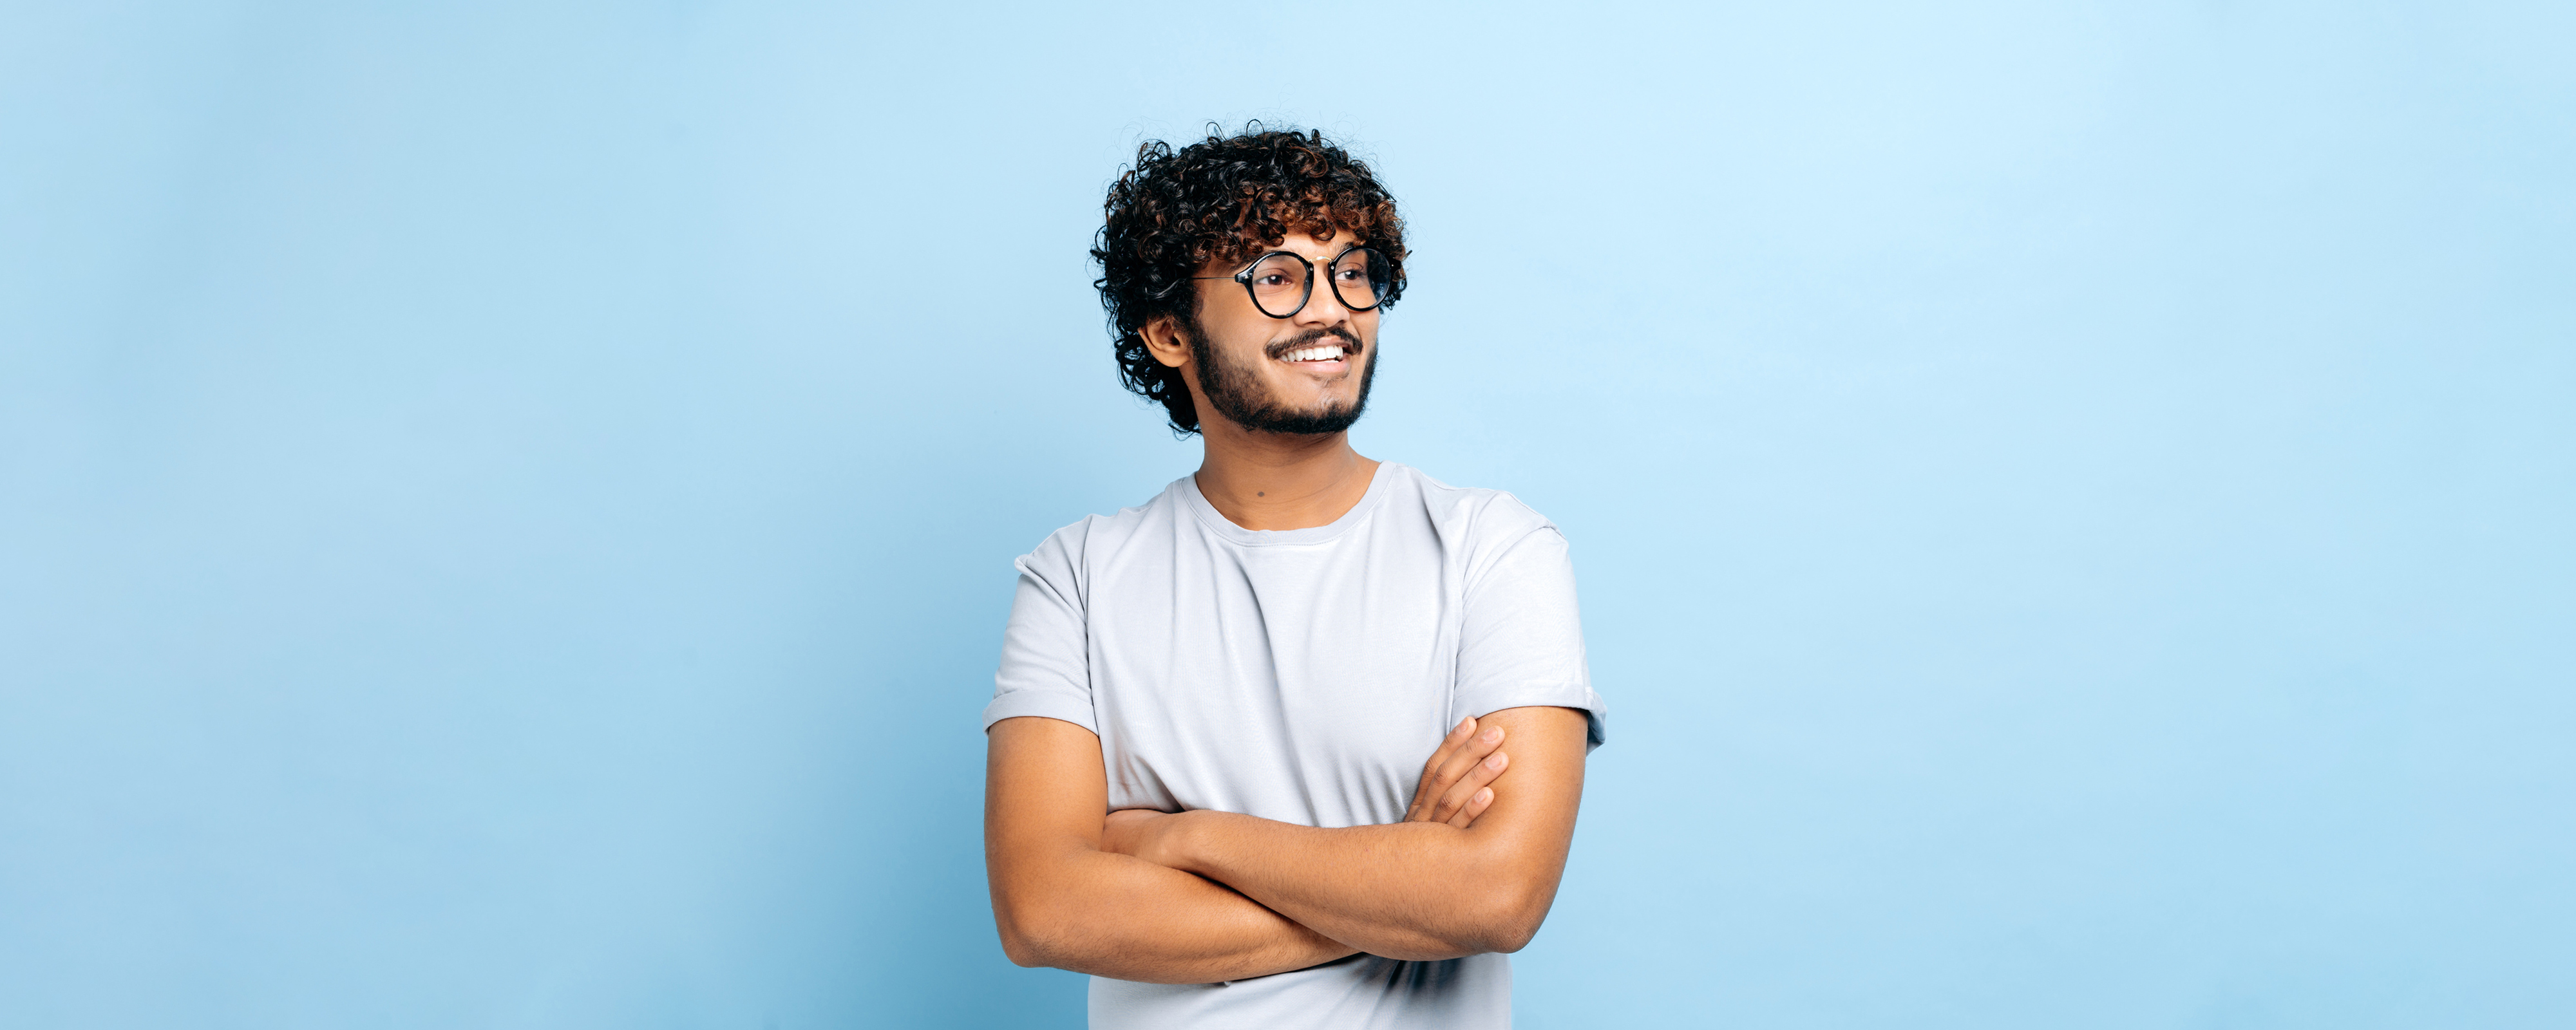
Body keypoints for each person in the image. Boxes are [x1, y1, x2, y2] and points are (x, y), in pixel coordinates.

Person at [981, 125, 1607, 1029]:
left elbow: (1497, 898)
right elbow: (1043, 911)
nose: (1333, 308)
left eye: (1353, 271)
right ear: (1168, 333)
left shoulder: (1493, 548)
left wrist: (1182, 837)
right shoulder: (1074, 577)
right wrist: (1401, 878)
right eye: (1276, 277)